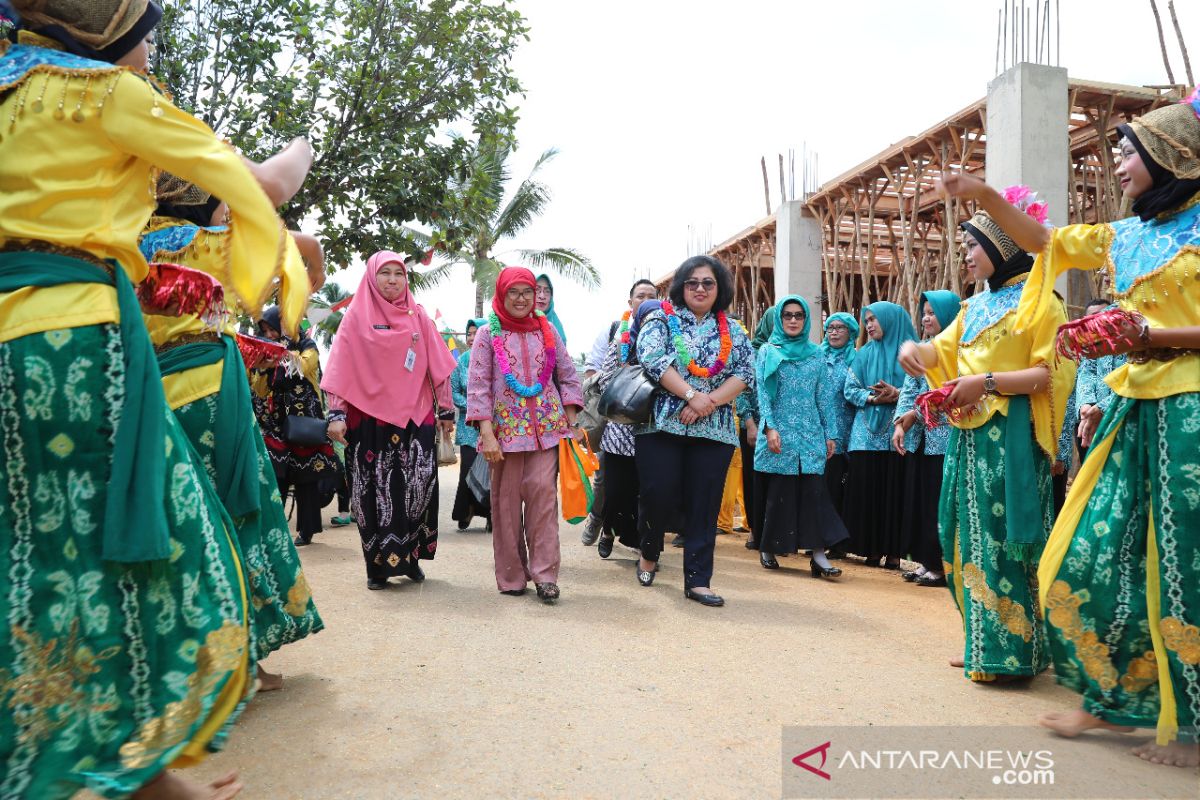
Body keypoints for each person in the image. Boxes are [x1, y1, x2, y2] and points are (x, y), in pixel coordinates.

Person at [0, 2, 314, 795]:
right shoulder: (107, 95)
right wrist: (300, 153)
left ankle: (100, 764)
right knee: (166, 537)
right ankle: (132, 758)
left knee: (33, 553)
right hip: (81, 346)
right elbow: (264, 186)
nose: (150, 53)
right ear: (116, 31)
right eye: (148, 34)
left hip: (9, 349)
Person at [938, 93, 1200, 767]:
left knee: (1183, 561)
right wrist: (984, 193)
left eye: (1128, 150)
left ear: (1171, 157)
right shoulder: (1127, 236)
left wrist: (1152, 334)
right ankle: (1111, 696)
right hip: (1132, 406)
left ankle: (1191, 722)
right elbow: (1044, 243)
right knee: (1091, 548)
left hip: (1191, 410)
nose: (1117, 162)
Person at [138, 200, 323, 691]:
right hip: (215, 398)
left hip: (160, 395)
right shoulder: (210, 242)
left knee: (186, 523)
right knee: (242, 517)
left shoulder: (130, 241)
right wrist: (313, 276)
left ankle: (195, 660)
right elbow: (305, 246)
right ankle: (244, 663)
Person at [899, 187, 1075, 687]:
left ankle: (1017, 650)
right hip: (969, 437)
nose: (967, 256)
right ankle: (983, 641)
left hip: (1014, 436)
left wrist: (987, 382)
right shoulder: (975, 307)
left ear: (1001, 246)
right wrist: (914, 348)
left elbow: (1051, 373)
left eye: (973, 245)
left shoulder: (1042, 303)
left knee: (1008, 541)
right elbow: (940, 352)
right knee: (963, 535)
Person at [322, 251, 456, 590]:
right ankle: (376, 567)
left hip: (415, 418)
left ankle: (410, 559)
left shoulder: (419, 317)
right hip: (369, 422)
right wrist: (336, 414)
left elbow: (438, 368)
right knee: (373, 494)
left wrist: (445, 410)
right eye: (386, 273)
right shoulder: (354, 318)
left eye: (399, 273)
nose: (393, 279)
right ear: (372, 277)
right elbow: (339, 370)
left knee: (417, 489)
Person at [633, 255, 755, 607]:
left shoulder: (733, 329)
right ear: (680, 287)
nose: (700, 288)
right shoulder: (660, 319)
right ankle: (649, 550)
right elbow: (654, 359)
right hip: (661, 424)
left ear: (720, 288)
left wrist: (709, 402)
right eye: (692, 282)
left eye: (708, 283)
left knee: (705, 503)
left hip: (713, 430)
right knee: (657, 494)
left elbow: (745, 372)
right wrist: (690, 395)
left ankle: (699, 579)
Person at [468, 267, 584, 602]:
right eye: (514, 292)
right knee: (505, 507)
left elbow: (567, 374)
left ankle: (545, 575)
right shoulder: (488, 334)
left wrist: (572, 423)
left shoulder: (547, 330)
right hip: (503, 435)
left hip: (547, 432)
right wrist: (487, 434)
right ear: (502, 295)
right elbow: (478, 385)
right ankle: (512, 577)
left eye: (527, 292)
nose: (521, 299)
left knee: (543, 500)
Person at [754, 295, 848, 577]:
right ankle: (768, 547)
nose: (793, 320)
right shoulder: (768, 351)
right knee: (779, 493)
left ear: (806, 320)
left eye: (799, 316)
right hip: (780, 432)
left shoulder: (816, 354)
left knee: (814, 493)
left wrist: (831, 434)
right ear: (780, 320)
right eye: (787, 316)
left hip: (810, 434)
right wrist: (769, 427)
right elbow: (763, 394)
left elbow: (824, 398)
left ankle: (818, 555)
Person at [252, 307, 340, 547]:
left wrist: (278, 356)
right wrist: (262, 366)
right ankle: (274, 527)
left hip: (305, 421)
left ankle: (307, 530)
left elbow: (304, 366)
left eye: (272, 329)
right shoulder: (267, 355)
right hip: (278, 422)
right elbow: (260, 390)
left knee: (306, 476)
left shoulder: (307, 344)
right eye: (266, 330)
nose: (269, 334)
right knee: (276, 473)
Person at [581, 278, 659, 546]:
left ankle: (641, 543)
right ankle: (605, 527)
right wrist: (636, 392)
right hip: (618, 425)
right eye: (641, 296)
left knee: (645, 488)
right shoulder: (617, 333)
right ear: (630, 302)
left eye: (652, 296)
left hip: (652, 426)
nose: (646, 300)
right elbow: (600, 376)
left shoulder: (669, 336)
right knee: (610, 485)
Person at [892, 291, 961, 588]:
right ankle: (927, 561)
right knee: (921, 503)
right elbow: (910, 389)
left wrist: (914, 415)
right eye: (925, 312)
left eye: (933, 312)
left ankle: (944, 566)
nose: (926, 317)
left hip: (946, 441)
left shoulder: (960, 353)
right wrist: (900, 424)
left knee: (940, 504)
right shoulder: (923, 349)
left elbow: (950, 396)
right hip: (921, 440)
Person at [843, 302, 918, 569]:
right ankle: (870, 549)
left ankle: (894, 552)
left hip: (900, 433)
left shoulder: (913, 354)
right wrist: (874, 398)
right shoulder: (862, 354)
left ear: (891, 320)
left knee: (894, 492)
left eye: (875, 319)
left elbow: (924, 389)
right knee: (868, 492)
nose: (870, 324)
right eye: (868, 320)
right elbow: (850, 390)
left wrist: (897, 394)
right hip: (865, 435)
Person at [819, 312, 859, 530]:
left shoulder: (857, 360)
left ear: (851, 332)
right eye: (830, 328)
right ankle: (815, 535)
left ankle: (836, 539)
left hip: (845, 431)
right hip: (817, 431)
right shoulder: (817, 356)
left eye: (839, 328)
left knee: (837, 484)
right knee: (817, 485)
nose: (833, 332)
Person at [450, 318, 491, 531]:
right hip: (468, 428)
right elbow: (453, 391)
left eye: (477, 333)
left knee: (492, 471)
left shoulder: (495, 360)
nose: (472, 337)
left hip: (491, 428)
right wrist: (473, 406)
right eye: (470, 334)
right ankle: (465, 511)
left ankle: (491, 515)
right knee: (467, 467)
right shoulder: (461, 362)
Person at [1074, 297, 1126, 452]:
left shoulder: (1134, 317)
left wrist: (1104, 407)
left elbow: (1140, 369)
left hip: (1126, 415)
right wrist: (1086, 404)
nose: (1103, 274)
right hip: (1093, 421)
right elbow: (1087, 368)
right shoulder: (1094, 331)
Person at [535, 273, 568, 348]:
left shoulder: (556, 325)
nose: (542, 296)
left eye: (547, 291)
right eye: (537, 290)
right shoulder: (517, 321)